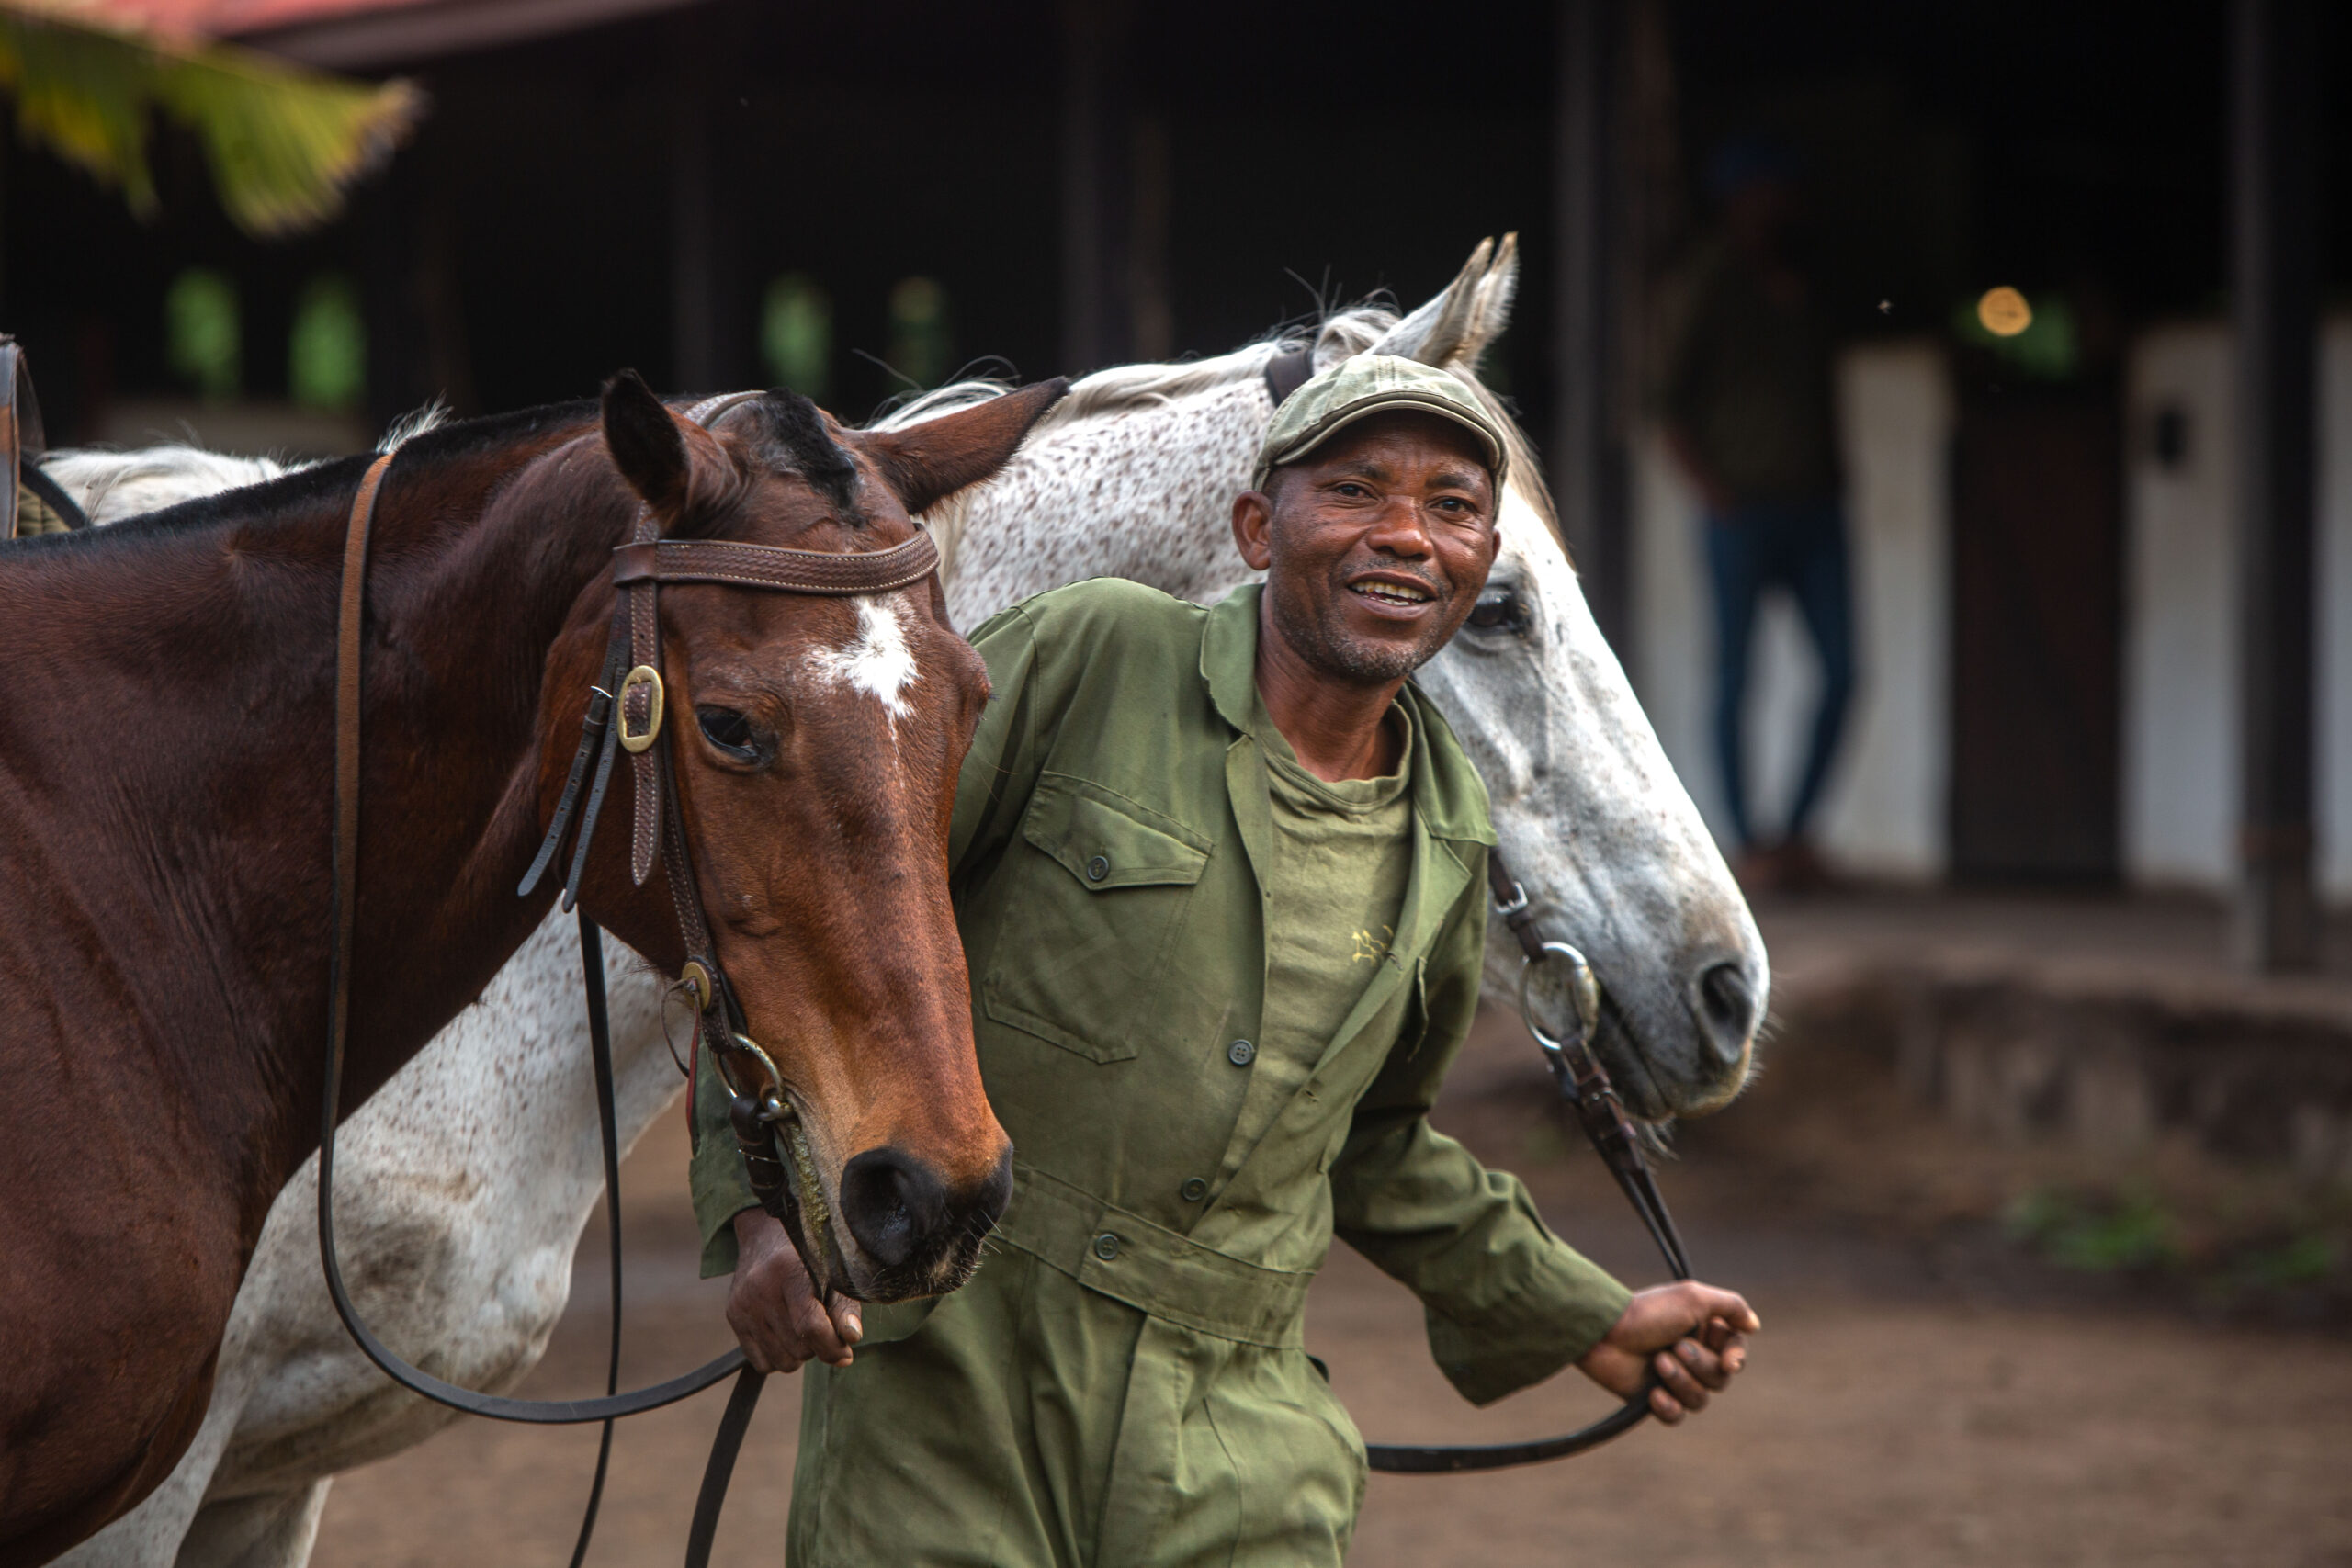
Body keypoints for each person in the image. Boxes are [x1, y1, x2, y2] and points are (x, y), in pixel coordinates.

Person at [695, 356, 1758, 1566]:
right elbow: (831, 908)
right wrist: (761, 1212)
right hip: (946, 1397)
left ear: (1480, 566)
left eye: (1453, 507)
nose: (1405, 534)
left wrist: (1587, 1317)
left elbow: (1377, 1143)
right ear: (1257, 528)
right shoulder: (1089, 656)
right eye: (1353, 490)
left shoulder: (1453, 836)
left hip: (1237, 1440)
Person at [1659, 140, 1856, 893]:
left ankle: (1795, 834)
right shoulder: (1707, 281)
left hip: (1817, 509)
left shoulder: (1808, 282)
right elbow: (1665, 404)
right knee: (1737, 677)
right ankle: (1749, 844)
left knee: (1844, 671)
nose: (1787, 206)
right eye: (1774, 191)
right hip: (1741, 511)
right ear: (1741, 199)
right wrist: (1714, 492)